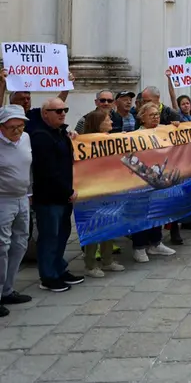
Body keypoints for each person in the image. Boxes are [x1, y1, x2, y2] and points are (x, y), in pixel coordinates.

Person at [29, 98, 84, 291]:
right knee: (49, 236)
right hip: (49, 197)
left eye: (65, 110)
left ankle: (59, 268)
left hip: (63, 195)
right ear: (45, 114)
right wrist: (67, 190)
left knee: (62, 235)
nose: (62, 113)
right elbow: (47, 170)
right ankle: (48, 276)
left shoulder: (61, 133)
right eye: (57, 111)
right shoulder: (40, 137)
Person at [79, 110, 125, 277]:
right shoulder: (84, 144)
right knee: (93, 226)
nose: (111, 123)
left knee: (109, 224)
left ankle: (107, 260)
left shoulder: (112, 140)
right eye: (108, 120)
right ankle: (90, 264)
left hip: (110, 189)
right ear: (98, 123)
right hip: (92, 191)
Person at [130, 104, 178, 263]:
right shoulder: (134, 135)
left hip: (159, 179)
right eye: (151, 115)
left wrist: (177, 126)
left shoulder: (164, 130)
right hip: (141, 180)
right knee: (141, 213)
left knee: (157, 210)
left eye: (157, 114)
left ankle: (156, 243)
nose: (156, 117)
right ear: (141, 117)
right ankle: (139, 247)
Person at [0, 105, 34, 313]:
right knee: (1, 246)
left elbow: (28, 167)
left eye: (20, 126)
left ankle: (8, 289)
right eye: (13, 127)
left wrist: (29, 193)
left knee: (20, 242)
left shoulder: (26, 138)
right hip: (3, 199)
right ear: (2, 127)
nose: (17, 131)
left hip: (22, 197)